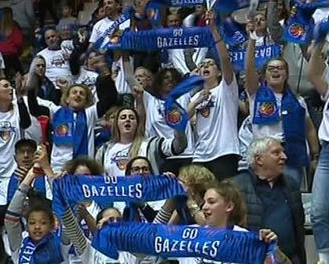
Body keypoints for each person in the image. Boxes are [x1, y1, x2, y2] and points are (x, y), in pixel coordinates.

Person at [245, 21, 318, 187]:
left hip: (291, 156)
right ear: (264, 75)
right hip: (263, 157)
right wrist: (252, 39)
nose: (275, 71)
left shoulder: (298, 101)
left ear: (286, 74)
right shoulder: (255, 94)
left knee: (291, 202)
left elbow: (310, 128)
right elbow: (249, 68)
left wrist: (315, 156)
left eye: (280, 68)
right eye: (271, 68)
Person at [187, 11, 240, 180]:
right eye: (202, 65)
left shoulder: (227, 89)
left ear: (218, 72)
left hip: (224, 153)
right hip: (200, 155)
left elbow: (224, 59)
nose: (205, 66)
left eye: (210, 64)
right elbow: (182, 119)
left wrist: (214, 31)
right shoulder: (195, 97)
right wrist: (196, 103)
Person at [95, 105, 187, 176]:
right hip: (115, 198)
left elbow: (179, 146)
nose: (127, 120)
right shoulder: (104, 150)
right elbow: (96, 177)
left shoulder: (151, 145)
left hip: (144, 197)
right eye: (123, 117)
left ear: (137, 124)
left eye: (132, 118)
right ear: (116, 124)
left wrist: (178, 126)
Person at [308, 36, 329, 264]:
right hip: (327, 152)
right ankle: (324, 260)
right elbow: (313, 74)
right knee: (320, 209)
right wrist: (319, 38)